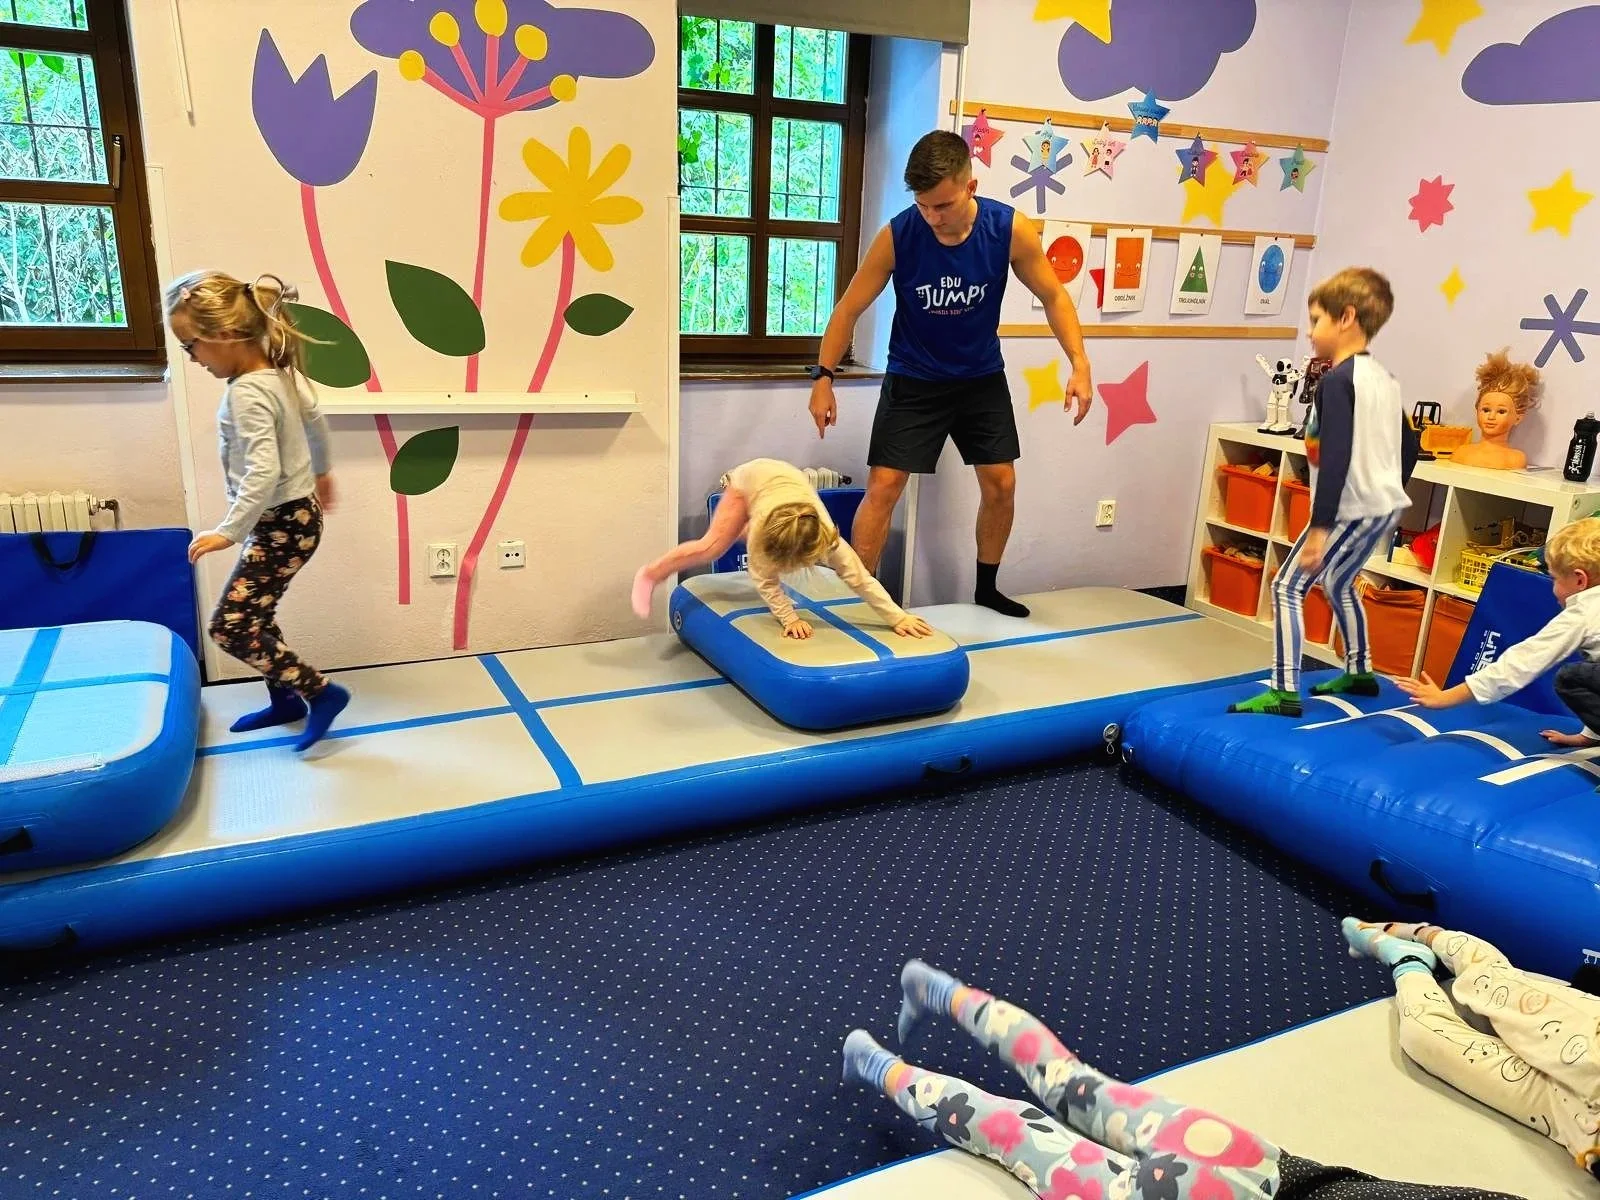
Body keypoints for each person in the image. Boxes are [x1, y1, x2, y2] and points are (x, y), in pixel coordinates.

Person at [842, 958, 1529, 1199]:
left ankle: (939, 991)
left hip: (1257, 1163)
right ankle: (876, 1063)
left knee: (1071, 1081)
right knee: (1021, 1140)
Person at [806, 129, 1093, 620]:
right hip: (914, 377)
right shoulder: (899, 235)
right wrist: (823, 377)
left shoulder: (1010, 230)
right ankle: (857, 601)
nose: (932, 216)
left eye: (942, 205)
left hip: (980, 377)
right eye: (923, 205)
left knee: (1001, 483)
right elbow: (849, 306)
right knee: (885, 485)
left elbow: (1054, 295)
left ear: (970, 186)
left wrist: (1080, 364)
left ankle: (987, 589)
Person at [165, 270, 350, 751]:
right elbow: (315, 419)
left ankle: (321, 693)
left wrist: (229, 530)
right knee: (257, 616)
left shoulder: (246, 392)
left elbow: (263, 472)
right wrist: (323, 472)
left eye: (192, 346)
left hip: (282, 523)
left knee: (229, 627)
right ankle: (286, 700)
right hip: (295, 518)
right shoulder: (278, 374)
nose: (193, 359)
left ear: (225, 335)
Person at [1230, 268, 1418, 717]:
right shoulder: (1381, 378)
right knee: (1337, 581)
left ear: (1346, 318)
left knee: (1287, 585)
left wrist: (1320, 528)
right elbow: (1411, 445)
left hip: (1352, 507)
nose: (1310, 333)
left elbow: (1335, 457)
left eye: (1316, 321)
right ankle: (1359, 671)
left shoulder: (1338, 382)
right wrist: (1388, 491)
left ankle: (1284, 690)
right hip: (1380, 505)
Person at [1344, 918, 1600, 1178]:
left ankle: (1408, 961)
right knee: (1488, 982)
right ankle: (1423, 933)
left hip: (1582, 1132)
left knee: (1422, 1039)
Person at [631, 458, 933, 641]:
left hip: (785, 484)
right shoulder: (765, 534)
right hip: (750, 481)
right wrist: (789, 618)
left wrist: (898, 617)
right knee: (711, 546)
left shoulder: (828, 538)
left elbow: (862, 580)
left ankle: (742, 530)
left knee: (744, 535)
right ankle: (650, 574)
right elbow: (764, 579)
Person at [1395, 517, 1600, 746]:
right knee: (1587, 673)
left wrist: (1446, 697)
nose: (1553, 588)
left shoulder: (1584, 612)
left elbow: (1523, 662)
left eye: (1555, 579)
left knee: (1571, 678)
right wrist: (1587, 737)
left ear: (1580, 580)